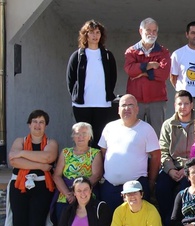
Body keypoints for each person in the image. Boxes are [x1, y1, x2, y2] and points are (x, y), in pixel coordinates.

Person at [8, 110, 58, 226]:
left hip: (41, 188)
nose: (37, 125)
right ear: (29, 124)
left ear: (46, 125)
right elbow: (13, 161)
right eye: (34, 121)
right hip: (18, 187)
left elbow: (48, 156)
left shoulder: (51, 143)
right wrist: (41, 165)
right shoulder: (19, 141)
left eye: (41, 122)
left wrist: (23, 155)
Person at [99, 97, 161, 212]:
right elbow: (102, 152)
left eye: (130, 105)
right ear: (118, 110)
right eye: (123, 105)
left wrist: (151, 181)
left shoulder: (146, 129)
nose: (126, 108)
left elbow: (156, 156)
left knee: (135, 224)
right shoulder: (109, 127)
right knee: (109, 224)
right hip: (110, 187)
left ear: (137, 109)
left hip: (136, 188)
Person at [66, 20, 117, 148]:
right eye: (91, 32)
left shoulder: (107, 56)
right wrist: (77, 96)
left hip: (103, 104)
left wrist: (108, 94)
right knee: (83, 137)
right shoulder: (77, 55)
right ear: (85, 35)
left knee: (99, 138)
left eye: (97, 32)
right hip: (82, 105)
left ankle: (97, 167)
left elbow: (113, 78)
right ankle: (84, 166)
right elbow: (70, 80)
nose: (95, 35)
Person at [156, 90, 195, 226]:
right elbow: (163, 150)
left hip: (192, 168)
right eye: (180, 104)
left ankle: (178, 224)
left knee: (183, 189)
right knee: (161, 187)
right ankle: (166, 224)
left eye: (186, 103)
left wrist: (187, 169)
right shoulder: (168, 125)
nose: (183, 107)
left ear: (192, 105)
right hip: (171, 166)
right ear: (175, 105)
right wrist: (170, 169)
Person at [124, 17, 171, 135]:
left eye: (154, 31)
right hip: (135, 101)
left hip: (157, 100)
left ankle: (154, 155)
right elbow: (130, 70)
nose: (152, 33)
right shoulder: (131, 51)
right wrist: (149, 65)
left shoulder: (163, 52)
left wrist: (142, 72)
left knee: (156, 136)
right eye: (148, 30)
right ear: (141, 31)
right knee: (133, 134)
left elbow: (163, 74)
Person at [52, 122, 103, 226]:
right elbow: (57, 176)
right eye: (77, 134)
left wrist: (79, 193)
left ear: (90, 136)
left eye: (84, 133)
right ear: (73, 137)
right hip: (66, 195)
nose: (81, 137)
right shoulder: (65, 152)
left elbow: (96, 175)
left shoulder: (95, 153)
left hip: (86, 195)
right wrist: (69, 194)